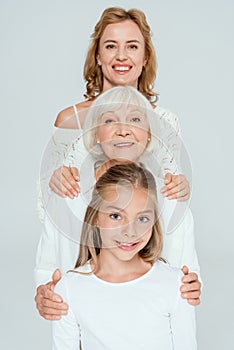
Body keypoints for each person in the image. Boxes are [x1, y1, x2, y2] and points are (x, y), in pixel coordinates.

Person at [35, 86, 201, 321]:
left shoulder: (170, 195)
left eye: (135, 119)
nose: (123, 130)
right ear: (96, 134)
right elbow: (46, 269)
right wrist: (45, 293)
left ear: (149, 134)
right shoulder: (67, 193)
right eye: (110, 120)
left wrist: (192, 286)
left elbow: (188, 271)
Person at [44, 6, 190, 203]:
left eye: (132, 46)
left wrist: (180, 187)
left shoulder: (165, 121)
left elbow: (170, 200)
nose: (121, 56)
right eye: (111, 46)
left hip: (140, 232)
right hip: (78, 232)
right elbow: (45, 202)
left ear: (145, 57)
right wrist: (56, 182)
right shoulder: (70, 120)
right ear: (98, 56)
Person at [52, 162, 197, 349]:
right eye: (116, 216)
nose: (130, 231)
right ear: (96, 217)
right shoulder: (70, 288)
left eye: (142, 219)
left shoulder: (176, 285)